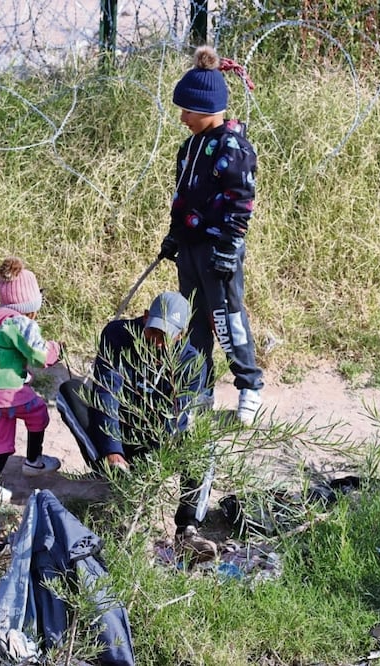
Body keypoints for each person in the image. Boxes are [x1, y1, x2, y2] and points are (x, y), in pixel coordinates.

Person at [159, 45, 265, 426]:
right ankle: (198, 390)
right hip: (189, 250)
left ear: (208, 109)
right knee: (194, 323)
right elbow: (181, 197)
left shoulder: (233, 147)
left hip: (219, 252)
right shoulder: (188, 148)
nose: (183, 117)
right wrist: (173, 235)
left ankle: (249, 386)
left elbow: (241, 202)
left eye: (188, 110)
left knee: (226, 319)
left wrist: (230, 245)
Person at [85, 291, 217, 560]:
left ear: (182, 334)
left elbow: (177, 420)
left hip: (157, 438)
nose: (157, 342)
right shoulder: (118, 335)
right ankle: (107, 469)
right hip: (119, 429)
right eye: (153, 332)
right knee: (70, 395)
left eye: (165, 337)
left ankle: (187, 531)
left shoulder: (191, 362)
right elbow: (107, 391)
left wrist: (156, 464)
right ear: (145, 318)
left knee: (204, 446)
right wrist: (112, 449)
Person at [0, 257, 63, 506]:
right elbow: (39, 356)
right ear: (31, 305)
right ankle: (33, 461)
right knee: (38, 412)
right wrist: (55, 349)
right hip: (6, 390)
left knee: (1, 440)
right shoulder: (20, 323)